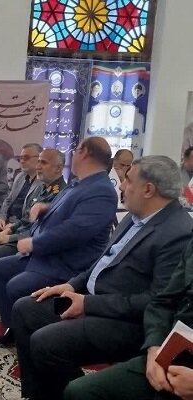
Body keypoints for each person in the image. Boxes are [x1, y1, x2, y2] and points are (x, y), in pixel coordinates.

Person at [11, 155, 193, 399]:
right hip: (94, 299)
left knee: (46, 343)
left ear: (148, 190)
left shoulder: (177, 233)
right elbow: (102, 263)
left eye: (128, 180)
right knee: (25, 309)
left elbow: (155, 301)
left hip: (127, 321)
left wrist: (88, 304)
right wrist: (71, 285)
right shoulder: (135, 216)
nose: (121, 185)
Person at [0, 137, 118, 346]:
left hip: (66, 262)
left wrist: (33, 243)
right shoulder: (79, 182)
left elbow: (75, 231)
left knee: (16, 286)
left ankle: (33, 336)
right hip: (47, 255)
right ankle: (14, 327)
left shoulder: (101, 190)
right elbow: (68, 211)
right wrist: (45, 208)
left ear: (84, 153)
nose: (73, 154)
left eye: (76, 150)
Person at [64, 243, 193, 400]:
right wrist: (155, 348)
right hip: (175, 354)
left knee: (51, 342)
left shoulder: (176, 233)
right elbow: (163, 303)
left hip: (129, 320)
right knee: (80, 392)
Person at [0, 147, 65, 314]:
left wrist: (11, 237)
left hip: (28, 243)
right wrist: (9, 230)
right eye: (38, 161)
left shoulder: (59, 194)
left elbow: (41, 230)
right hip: (17, 231)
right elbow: (25, 217)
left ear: (58, 168)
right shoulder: (43, 186)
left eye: (43, 162)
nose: (38, 166)